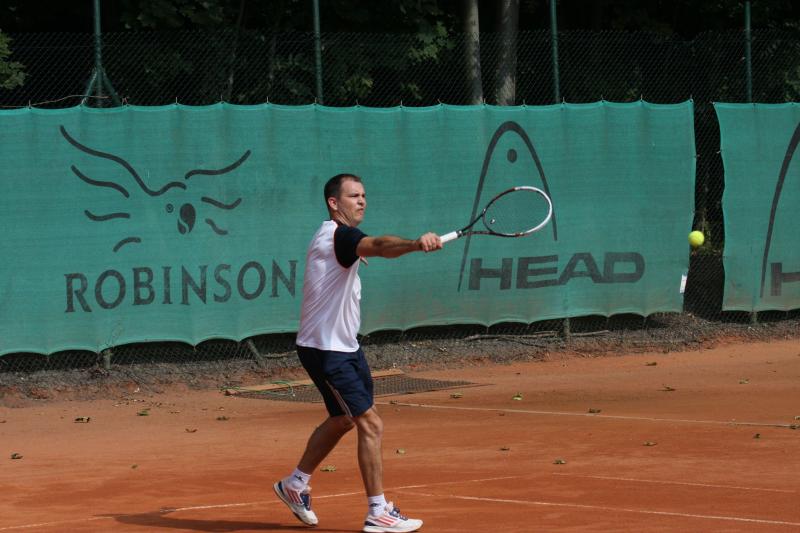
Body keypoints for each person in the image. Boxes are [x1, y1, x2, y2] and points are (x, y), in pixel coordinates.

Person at [274, 173, 441, 533]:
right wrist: (415, 243)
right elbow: (379, 245)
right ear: (334, 203)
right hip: (327, 350)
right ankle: (378, 511)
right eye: (353, 196)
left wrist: (369, 252)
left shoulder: (337, 238)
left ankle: (295, 484)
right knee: (371, 423)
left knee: (343, 419)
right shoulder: (340, 236)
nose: (362, 201)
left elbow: (368, 248)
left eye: (364, 195)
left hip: (343, 346)